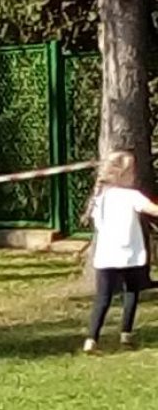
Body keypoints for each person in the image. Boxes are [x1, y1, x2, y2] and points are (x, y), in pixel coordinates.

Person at [82, 150, 158, 353]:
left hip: (106, 255)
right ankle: (126, 333)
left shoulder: (100, 197)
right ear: (125, 174)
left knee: (102, 298)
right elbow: (153, 210)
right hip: (129, 254)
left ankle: (91, 339)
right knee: (131, 291)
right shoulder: (131, 196)